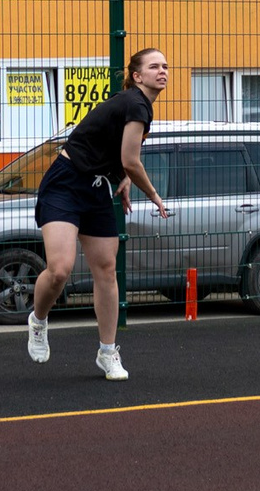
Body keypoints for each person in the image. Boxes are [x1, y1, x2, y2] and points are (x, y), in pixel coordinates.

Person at [27, 49, 173, 380]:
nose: (162, 71)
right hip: (65, 184)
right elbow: (131, 160)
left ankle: (108, 352)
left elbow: (118, 152)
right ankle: (38, 321)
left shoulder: (139, 106)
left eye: (165, 66)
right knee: (59, 270)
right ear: (137, 76)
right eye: (154, 66)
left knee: (106, 270)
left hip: (97, 188)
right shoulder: (136, 103)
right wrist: (152, 194)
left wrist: (121, 177)